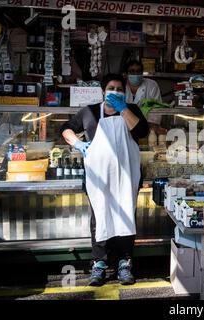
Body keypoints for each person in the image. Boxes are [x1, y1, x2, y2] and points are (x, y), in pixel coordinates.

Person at [60, 74, 149, 286]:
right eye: (111, 88)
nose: (115, 92)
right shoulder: (89, 112)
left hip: (127, 176)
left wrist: (123, 109)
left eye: (119, 89)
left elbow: (142, 131)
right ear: (103, 90)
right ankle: (99, 263)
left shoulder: (132, 110)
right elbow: (65, 128)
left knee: (126, 215)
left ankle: (124, 263)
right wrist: (78, 144)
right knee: (99, 216)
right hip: (99, 177)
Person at [124, 60, 162, 126]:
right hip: (125, 125)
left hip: (147, 125)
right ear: (127, 74)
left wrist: (151, 127)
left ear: (142, 73)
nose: (135, 74)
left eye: (138, 71)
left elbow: (157, 109)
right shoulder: (121, 86)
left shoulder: (152, 85)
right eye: (132, 71)